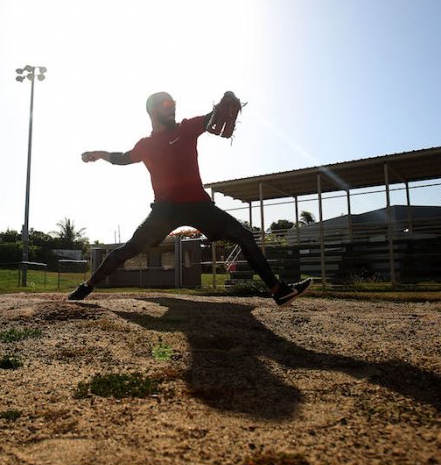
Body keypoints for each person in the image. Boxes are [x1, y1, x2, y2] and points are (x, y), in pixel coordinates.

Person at [68, 91, 312, 306]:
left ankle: (278, 290)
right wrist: (98, 154)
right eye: (166, 104)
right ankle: (86, 286)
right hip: (164, 210)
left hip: (198, 205)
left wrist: (223, 105)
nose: (172, 107)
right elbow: (123, 157)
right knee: (129, 249)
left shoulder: (185, 128)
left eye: (173, 102)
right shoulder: (147, 144)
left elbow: (209, 120)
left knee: (244, 236)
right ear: (152, 111)